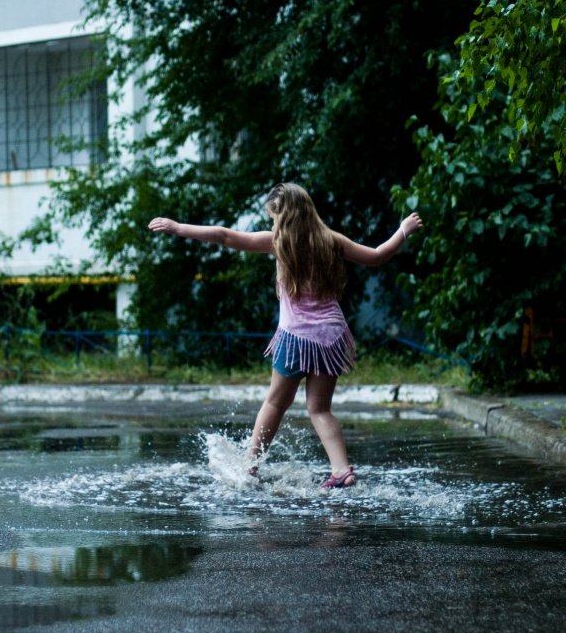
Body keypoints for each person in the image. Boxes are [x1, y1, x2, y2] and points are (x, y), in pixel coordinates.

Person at [148, 183, 423, 488]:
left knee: (276, 403)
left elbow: (224, 236)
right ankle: (342, 470)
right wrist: (403, 230)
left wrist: (177, 227)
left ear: (283, 215)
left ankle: (249, 466)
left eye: (273, 217)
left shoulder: (278, 243)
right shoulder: (331, 241)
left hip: (295, 339)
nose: (272, 223)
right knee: (320, 409)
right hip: (332, 337)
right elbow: (376, 256)